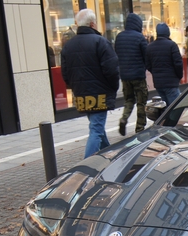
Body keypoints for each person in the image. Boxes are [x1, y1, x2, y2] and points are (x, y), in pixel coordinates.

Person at [60, 9, 119, 159]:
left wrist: (75, 87)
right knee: (96, 129)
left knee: (96, 126)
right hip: (99, 93)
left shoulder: (68, 45)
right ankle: (86, 167)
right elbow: (111, 70)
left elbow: (65, 73)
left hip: (81, 93)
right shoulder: (100, 42)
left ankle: (109, 155)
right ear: (93, 24)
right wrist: (113, 88)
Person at [115, 13, 148, 136]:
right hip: (138, 75)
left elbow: (117, 55)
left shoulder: (119, 37)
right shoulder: (140, 37)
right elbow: (146, 55)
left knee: (129, 99)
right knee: (141, 102)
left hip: (125, 76)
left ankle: (124, 118)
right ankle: (139, 129)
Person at [146, 23, 183, 106]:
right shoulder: (172, 45)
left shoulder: (150, 47)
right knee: (175, 108)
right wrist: (178, 76)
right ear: (168, 33)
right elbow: (178, 63)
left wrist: (155, 73)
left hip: (158, 83)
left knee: (164, 108)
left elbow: (148, 64)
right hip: (171, 82)